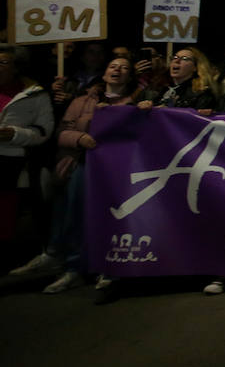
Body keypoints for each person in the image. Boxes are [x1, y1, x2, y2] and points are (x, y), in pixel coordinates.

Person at [45, 57, 141, 294]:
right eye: (112, 66)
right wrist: (80, 138)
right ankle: (73, 268)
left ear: (130, 77)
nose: (117, 70)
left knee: (111, 220)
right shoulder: (81, 101)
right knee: (75, 215)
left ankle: (108, 268)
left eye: (124, 68)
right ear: (105, 73)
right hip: (83, 166)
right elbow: (61, 132)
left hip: (116, 172)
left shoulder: (135, 104)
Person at [2, 47, 55, 273]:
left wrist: (15, 134)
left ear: (16, 67)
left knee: (5, 212)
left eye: (4, 62)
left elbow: (44, 130)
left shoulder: (35, 94)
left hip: (11, 161)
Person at [138, 47, 217, 113]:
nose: (177, 61)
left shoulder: (202, 94)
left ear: (195, 67)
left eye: (184, 59)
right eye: (175, 57)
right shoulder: (161, 89)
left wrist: (170, 111)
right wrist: (146, 107)